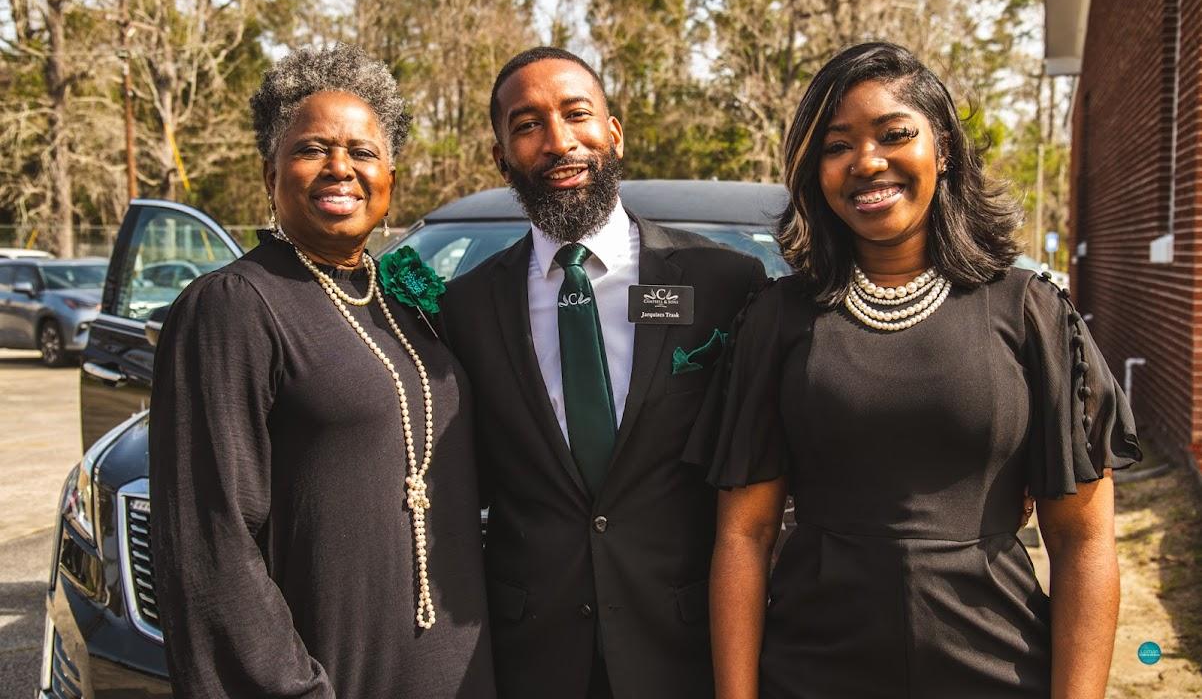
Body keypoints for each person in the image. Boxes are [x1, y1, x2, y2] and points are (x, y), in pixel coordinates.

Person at [688, 41, 1142, 699]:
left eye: (894, 134)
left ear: (946, 149)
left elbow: (1083, 541)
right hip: (813, 673)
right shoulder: (778, 321)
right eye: (837, 145)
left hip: (998, 670)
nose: (867, 162)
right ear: (815, 170)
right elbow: (745, 534)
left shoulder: (1030, 313)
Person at [149, 44, 495, 698]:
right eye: (313, 149)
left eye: (363, 152)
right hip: (335, 676)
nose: (341, 168)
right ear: (269, 171)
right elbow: (211, 544)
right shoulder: (233, 306)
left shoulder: (400, 302)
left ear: (391, 175)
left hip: (459, 672)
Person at [439, 47, 767, 699]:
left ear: (613, 132)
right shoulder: (467, 307)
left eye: (576, 114)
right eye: (527, 124)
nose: (558, 141)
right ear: (501, 157)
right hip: (530, 656)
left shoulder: (721, 284)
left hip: (683, 648)